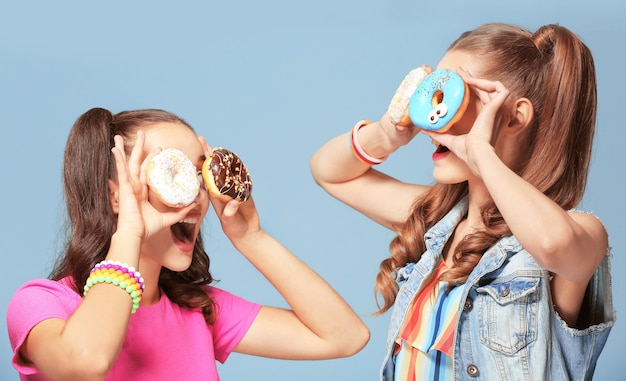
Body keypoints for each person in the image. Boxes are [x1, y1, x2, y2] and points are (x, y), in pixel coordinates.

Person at [310, 23, 614, 380]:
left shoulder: (581, 232)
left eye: (452, 95)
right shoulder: (437, 219)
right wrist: (386, 134)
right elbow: (328, 171)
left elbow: (552, 244)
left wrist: (480, 152)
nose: (430, 118)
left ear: (514, 116)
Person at [6, 107, 370, 380]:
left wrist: (252, 238)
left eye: (200, 174)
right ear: (114, 195)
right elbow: (84, 362)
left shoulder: (200, 311)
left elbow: (344, 337)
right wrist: (129, 234)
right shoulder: (42, 304)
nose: (195, 194)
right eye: (173, 173)